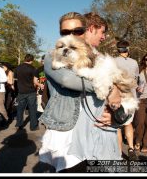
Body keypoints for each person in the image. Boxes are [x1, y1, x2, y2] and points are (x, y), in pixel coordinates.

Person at [39, 12, 123, 173]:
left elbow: (123, 96)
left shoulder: (101, 59)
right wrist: (110, 88)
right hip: (68, 135)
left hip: (99, 135)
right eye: (65, 32)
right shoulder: (53, 55)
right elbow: (67, 80)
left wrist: (116, 116)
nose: (71, 35)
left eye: (77, 31)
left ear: (85, 30)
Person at [114, 40, 139, 161]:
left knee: (118, 125)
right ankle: (130, 148)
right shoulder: (134, 63)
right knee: (128, 123)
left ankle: (119, 153)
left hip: (118, 96)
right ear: (128, 49)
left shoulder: (113, 61)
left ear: (118, 49)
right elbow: (136, 79)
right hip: (131, 97)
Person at [14, 54, 43, 131]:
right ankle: (33, 126)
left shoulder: (18, 68)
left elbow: (16, 80)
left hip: (21, 91)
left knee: (20, 109)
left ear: (25, 59)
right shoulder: (33, 69)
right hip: (31, 91)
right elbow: (34, 81)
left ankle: (19, 124)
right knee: (32, 109)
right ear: (32, 60)